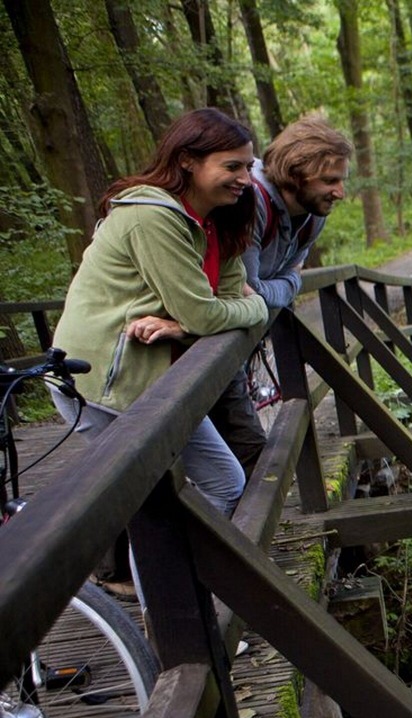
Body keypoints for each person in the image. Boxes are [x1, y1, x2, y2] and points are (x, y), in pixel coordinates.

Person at [50, 108, 267, 517]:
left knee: (222, 484)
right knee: (154, 508)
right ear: (187, 160)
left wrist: (181, 324)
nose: (245, 178)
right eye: (232, 166)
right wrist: (252, 304)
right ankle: (174, 581)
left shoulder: (216, 219)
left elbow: (212, 304)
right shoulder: (151, 216)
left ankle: (196, 580)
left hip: (159, 380)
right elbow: (208, 314)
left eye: (249, 166)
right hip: (103, 380)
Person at [208, 115, 353, 476]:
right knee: (246, 467)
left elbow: (273, 283)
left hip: (242, 342)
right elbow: (251, 288)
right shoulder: (248, 203)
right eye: (330, 180)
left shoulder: (314, 214)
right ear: (296, 173)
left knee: (233, 467)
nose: (340, 192)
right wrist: (286, 286)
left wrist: (275, 289)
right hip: (205, 349)